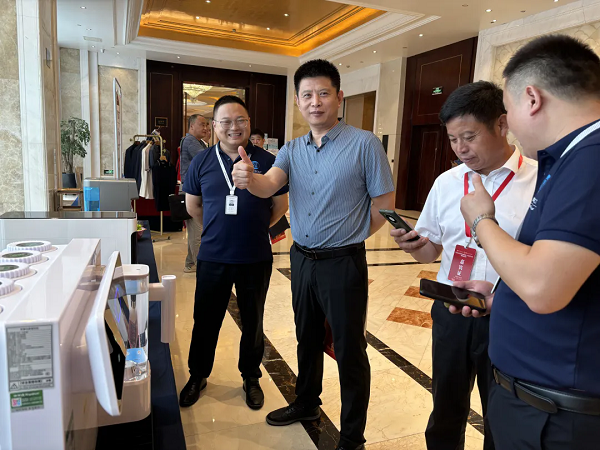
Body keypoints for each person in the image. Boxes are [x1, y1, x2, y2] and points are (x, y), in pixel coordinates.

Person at [232, 59, 395, 450]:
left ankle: (352, 438)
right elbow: (269, 184)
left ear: (339, 97)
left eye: (323, 93)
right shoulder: (291, 150)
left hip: (343, 263)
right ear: (298, 101)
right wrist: (249, 179)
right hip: (302, 259)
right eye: (307, 95)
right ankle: (306, 402)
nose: (315, 102)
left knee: (350, 350)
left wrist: (349, 237)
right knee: (306, 337)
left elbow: (384, 207)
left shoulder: (365, 144)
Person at [453, 35, 600, 450]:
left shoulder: (591, 158)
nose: (510, 125)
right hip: (542, 402)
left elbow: (542, 286)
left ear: (532, 99)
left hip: (556, 416)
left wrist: (481, 219)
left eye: (508, 110)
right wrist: (501, 297)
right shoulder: (572, 158)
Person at [391, 81, 537, 450]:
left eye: (469, 137)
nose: (460, 148)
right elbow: (430, 252)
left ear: (501, 124)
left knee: (500, 413)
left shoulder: (537, 182)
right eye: (453, 139)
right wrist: (414, 246)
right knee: (445, 406)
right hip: (451, 310)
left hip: (506, 317)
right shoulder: (447, 182)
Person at [179, 96, 289, 410]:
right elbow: (193, 207)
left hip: (255, 256)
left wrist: (254, 229)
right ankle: (198, 375)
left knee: (253, 320)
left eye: (240, 120)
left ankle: (251, 376)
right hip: (213, 256)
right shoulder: (202, 161)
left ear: (249, 123)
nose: (233, 127)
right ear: (214, 126)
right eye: (225, 121)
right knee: (205, 320)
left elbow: (280, 206)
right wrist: (218, 230)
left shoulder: (269, 161)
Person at [180, 114, 210, 273]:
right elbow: (207, 159)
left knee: (195, 230)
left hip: (195, 191)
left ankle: (190, 263)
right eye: (202, 124)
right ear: (192, 126)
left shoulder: (196, 142)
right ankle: (201, 267)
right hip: (193, 192)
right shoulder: (190, 141)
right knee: (197, 231)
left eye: (207, 125)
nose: (205, 128)